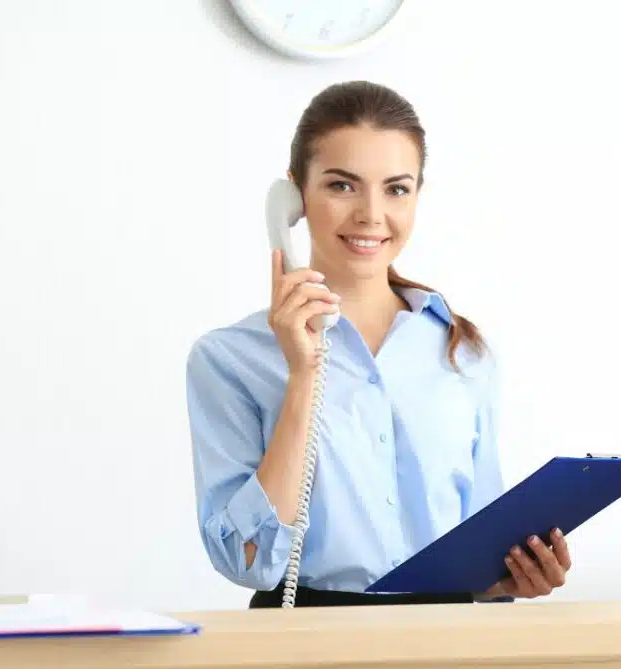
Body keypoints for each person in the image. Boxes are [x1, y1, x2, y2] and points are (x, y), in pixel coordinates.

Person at [185, 80, 571, 608]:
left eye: (396, 189)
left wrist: (509, 577)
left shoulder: (463, 352)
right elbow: (246, 561)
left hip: (445, 632)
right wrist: (303, 376)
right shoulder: (229, 359)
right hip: (306, 629)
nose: (371, 213)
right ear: (294, 198)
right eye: (342, 186)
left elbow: (480, 546)